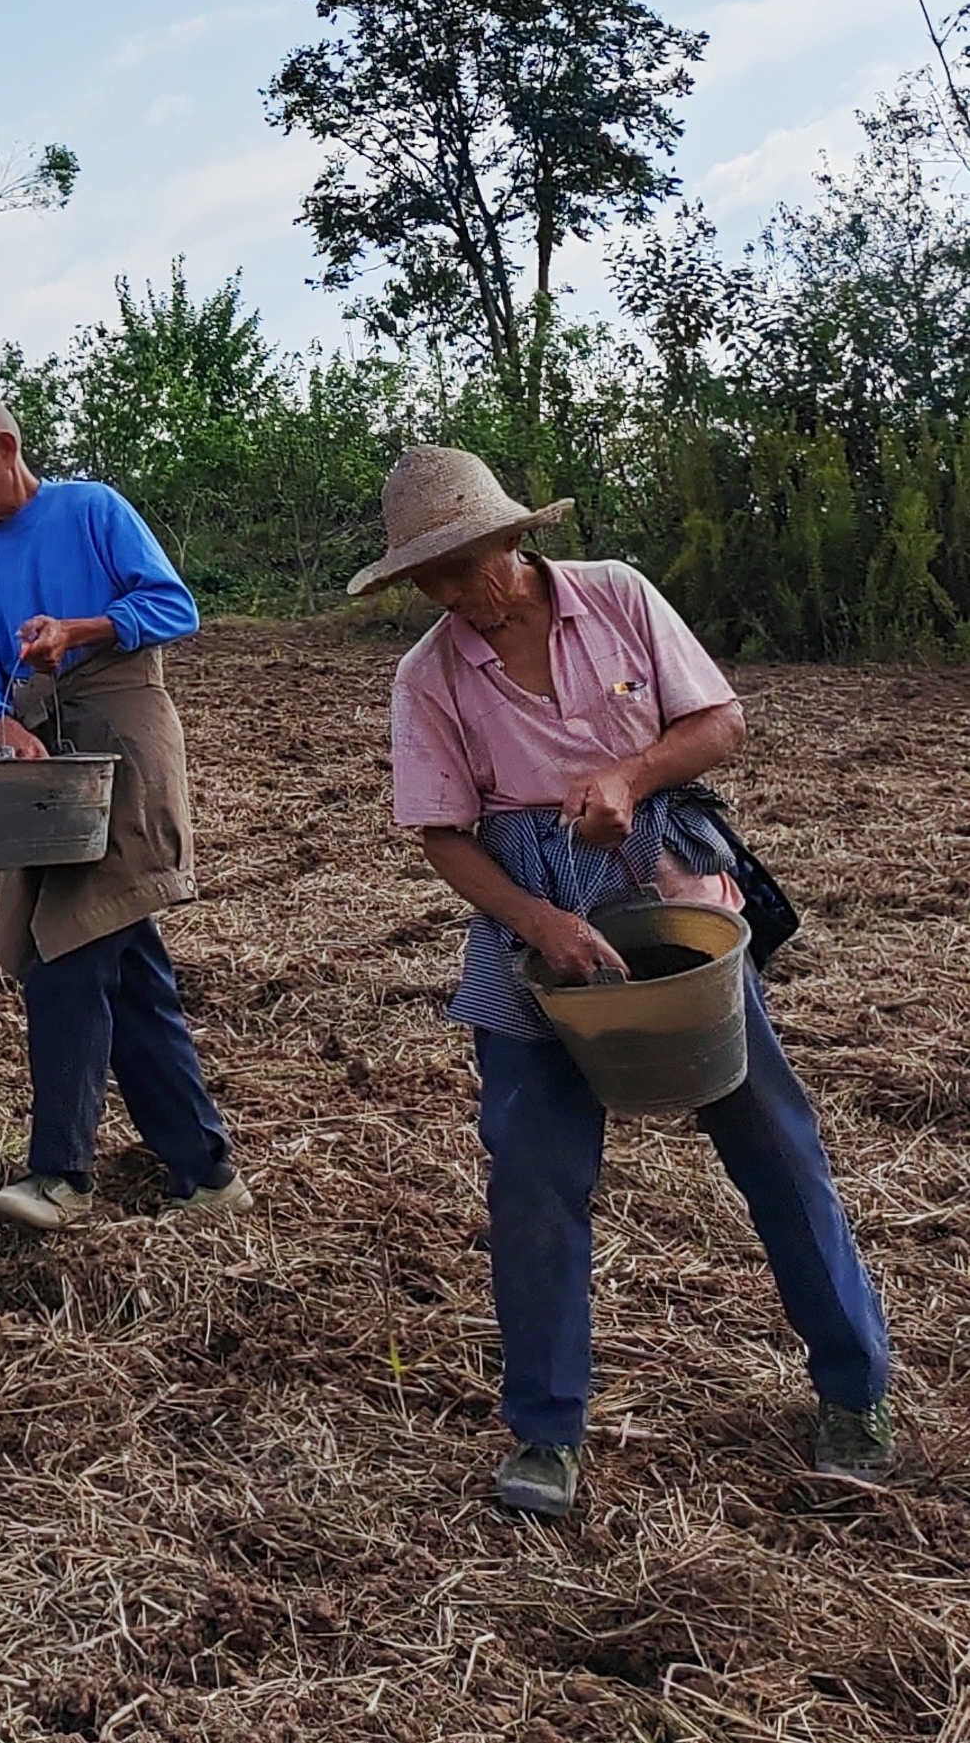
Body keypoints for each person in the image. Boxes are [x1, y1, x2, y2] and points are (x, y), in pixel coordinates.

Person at [360, 446, 892, 1517]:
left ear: (513, 537)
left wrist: (627, 773)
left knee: (774, 1141)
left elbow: (721, 723)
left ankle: (852, 1390)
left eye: (466, 564)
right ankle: (546, 1432)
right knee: (532, 1168)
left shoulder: (617, 598)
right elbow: (440, 831)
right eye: (431, 578)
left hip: (666, 888)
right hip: (532, 922)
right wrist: (541, 917)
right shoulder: (429, 674)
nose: (456, 594)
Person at [0, 392, 248, 1230]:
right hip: (46, 756)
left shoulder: (92, 509)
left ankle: (61, 1175)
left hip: (126, 745)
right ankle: (205, 1171)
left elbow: (176, 607)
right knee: (122, 959)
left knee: (68, 949)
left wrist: (77, 630)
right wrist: (0, 725)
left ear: (5, 445)